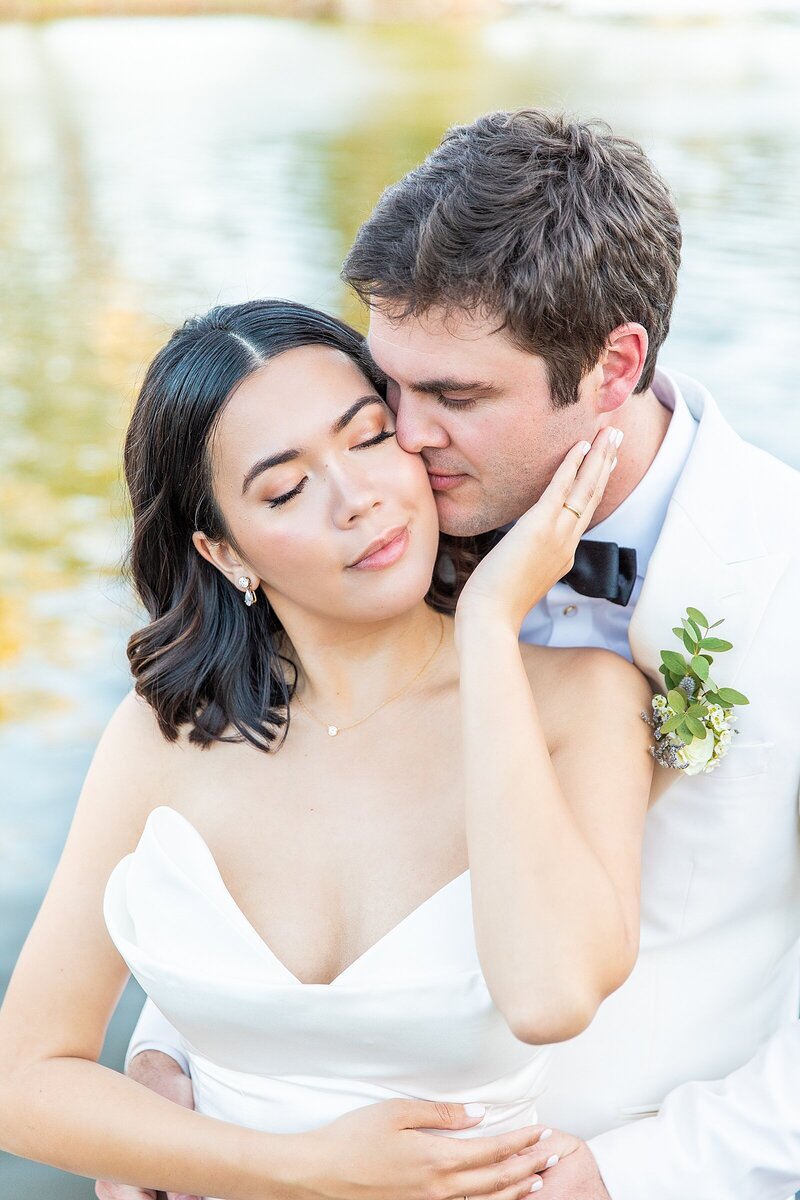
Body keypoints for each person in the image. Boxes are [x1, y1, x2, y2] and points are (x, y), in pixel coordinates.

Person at [120, 111, 800, 1200]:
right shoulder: (390, 535)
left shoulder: (786, 580)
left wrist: (628, 1176)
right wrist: (173, 1055)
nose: (401, 434)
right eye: (390, 381)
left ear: (613, 365)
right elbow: (277, 789)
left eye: (456, 397)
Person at [0, 298, 655, 1200]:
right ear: (223, 551)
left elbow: (551, 998)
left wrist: (489, 627)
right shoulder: (162, 737)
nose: (358, 500)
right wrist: (297, 1171)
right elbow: (24, 1079)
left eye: (370, 437)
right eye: (285, 489)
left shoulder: (582, 697)